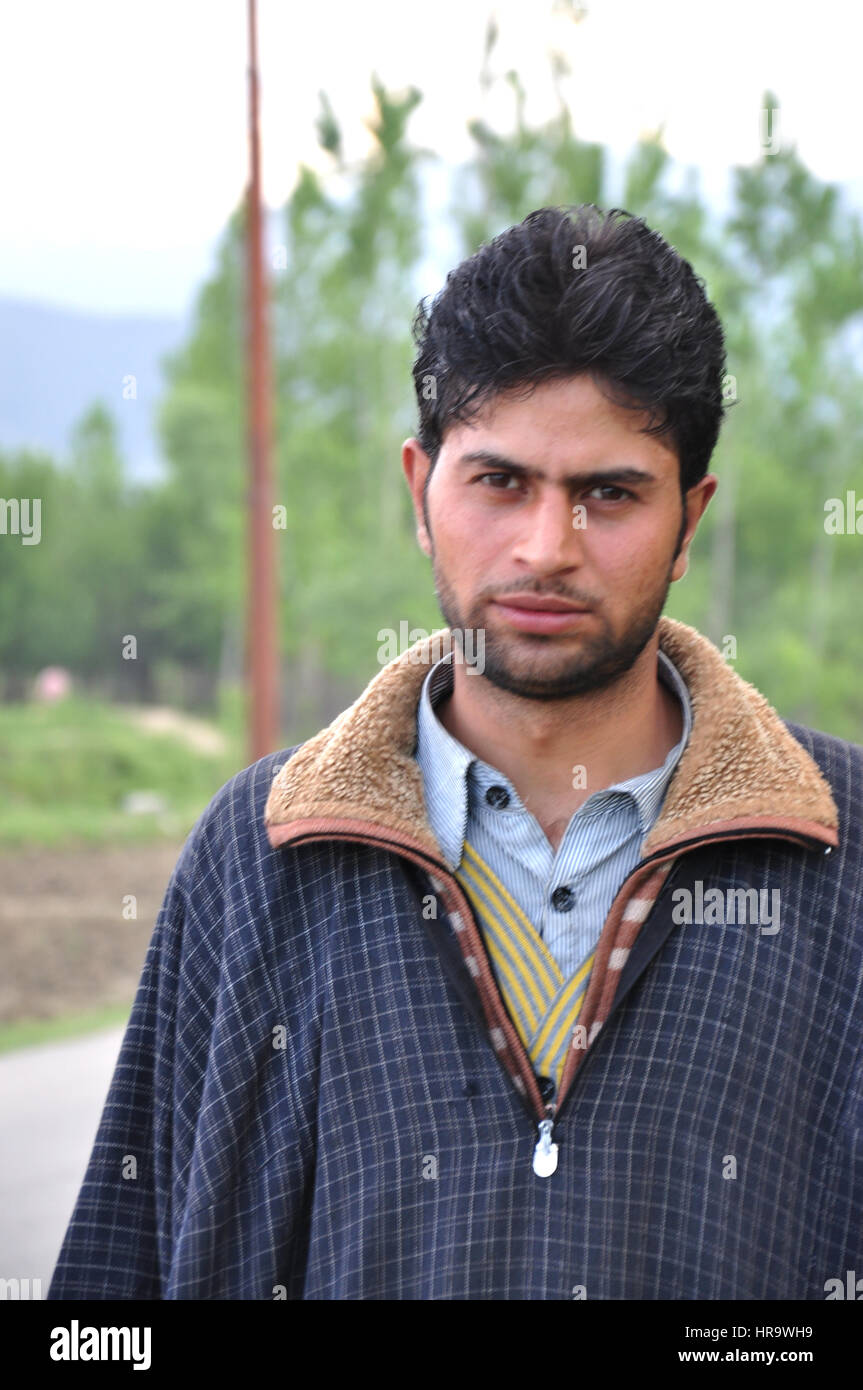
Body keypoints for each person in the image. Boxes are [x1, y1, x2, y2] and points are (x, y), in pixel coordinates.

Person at [48, 205, 861, 1300]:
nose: (543, 547)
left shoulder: (839, 860)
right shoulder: (260, 854)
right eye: (498, 481)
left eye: (607, 494)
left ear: (688, 520)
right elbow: (120, 1286)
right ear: (419, 495)